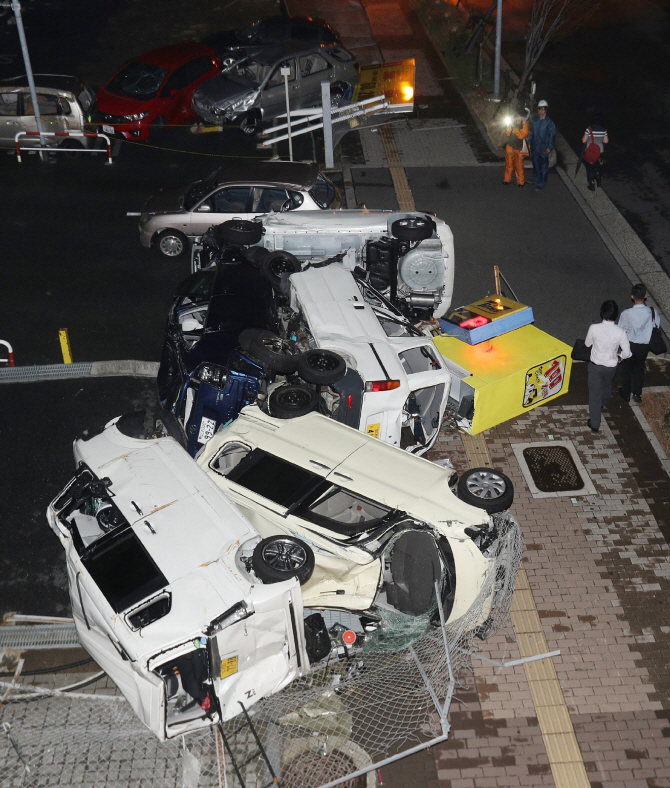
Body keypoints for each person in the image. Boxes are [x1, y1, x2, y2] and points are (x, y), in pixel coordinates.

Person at [584, 299, 631, 432]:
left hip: (595, 365)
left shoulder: (594, 328)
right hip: (611, 366)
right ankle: (602, 403)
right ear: (616, 315)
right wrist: (620, 356)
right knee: (606, 387)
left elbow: (587, 344)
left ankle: (595, 424)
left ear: (602, 313)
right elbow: (627, 352)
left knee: (594, 394)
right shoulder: (620, 332)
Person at [617, 283, 659, 403]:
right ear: (645, 296)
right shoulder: (653, 312)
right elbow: (656, 325)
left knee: (627, 368)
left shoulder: (627, 313)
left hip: (630, 344)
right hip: (644, 346)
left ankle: (626, 393)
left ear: (632, 297)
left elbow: (621, 329)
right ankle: (637, 392)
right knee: (639, 367)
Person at [529, 100, 556, 191]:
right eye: (540, 109)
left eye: (543, 109)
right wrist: (529, 143)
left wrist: (549, 147)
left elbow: (552, 135)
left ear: (546, 110)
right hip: (535, 146)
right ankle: (536, 179)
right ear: (538, 110)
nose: (542, 111)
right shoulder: (535, 120)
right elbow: (531, 132)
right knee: (535, 163)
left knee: (544, 166)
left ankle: (542, 182)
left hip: (544, 148)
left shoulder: (549, 122)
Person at [502, 112, 530, 187]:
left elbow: (522, 135)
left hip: (519, 149)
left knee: (519, 166)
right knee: (509, 164)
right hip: (510, 146)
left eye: (519, 116)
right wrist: (508, 127)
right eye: (517, 115)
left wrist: (514, 129)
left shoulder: (525, 124)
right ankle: (507, 179)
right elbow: (507, 134)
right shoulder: (512, 122)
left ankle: (520, 182)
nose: (517, 118)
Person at [581, 118, 608, 192]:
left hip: (590, 152)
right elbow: (606, 141)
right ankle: (599, 182)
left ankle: (592, 184)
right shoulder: (603, 129)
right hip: (600, 152)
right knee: (598, 167)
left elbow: (584, 140)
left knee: (590, 168)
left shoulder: (589, 129)